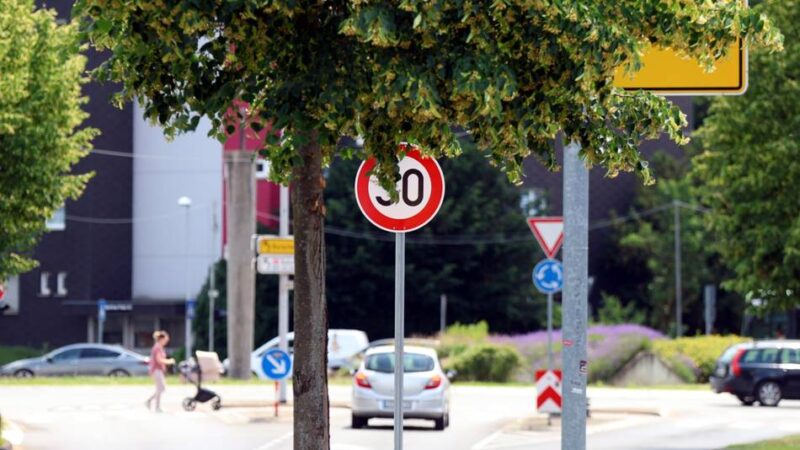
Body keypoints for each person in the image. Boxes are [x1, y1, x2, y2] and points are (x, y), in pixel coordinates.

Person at [146, 330, 175, 412]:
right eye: (165, 340)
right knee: (160, 388)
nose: (166, 342)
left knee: (161, 388)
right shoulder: (157, 347)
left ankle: (150, 402)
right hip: (156, 370)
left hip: (158, 370)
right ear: (161, 339)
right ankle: (156, 407)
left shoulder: (159, 347)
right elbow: (159, 360)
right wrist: (169, 361)